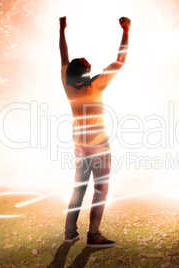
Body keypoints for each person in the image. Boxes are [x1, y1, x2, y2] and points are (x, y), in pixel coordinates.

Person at [59, 16, 130, 248]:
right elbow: (120, 60)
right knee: (100, 190)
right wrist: (126, 31)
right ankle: (94, 234)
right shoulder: (96, 84)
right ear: (86, 72)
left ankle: (70, 232)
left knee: (78, 189)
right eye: (86, 62)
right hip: (99, 148)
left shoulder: (68, 87)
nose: (86, 60)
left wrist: (62, 30)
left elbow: (63, 57)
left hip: (80, 148)